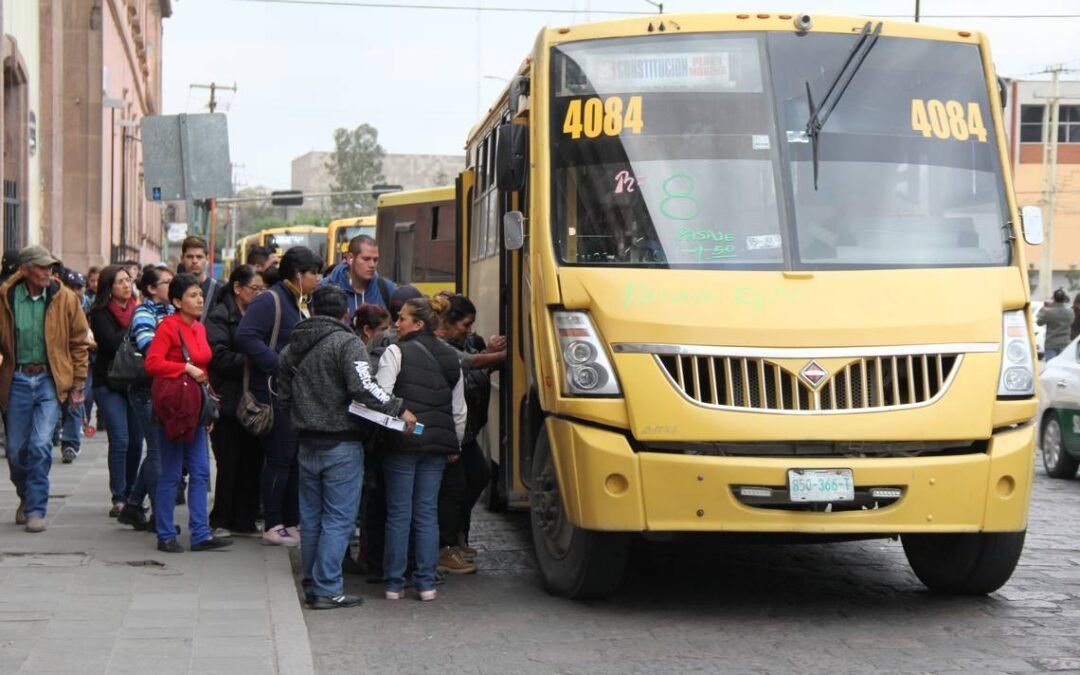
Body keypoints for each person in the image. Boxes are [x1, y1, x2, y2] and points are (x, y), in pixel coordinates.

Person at [278, 285, 415, 609]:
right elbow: (364, 387)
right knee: (338, 518)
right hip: (341, 442)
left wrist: (300, 417)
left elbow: (283, 395)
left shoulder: (294, 345)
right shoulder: (346, 342)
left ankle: (313, 583)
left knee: (311, 518)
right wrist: (398, 408)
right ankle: (327, 588)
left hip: (306, 441)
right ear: (345, 313)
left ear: (313, 309)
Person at [376, 295, 467, 602]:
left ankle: (394, 584)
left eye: (402, 318)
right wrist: (455, 442)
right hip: (437, 446)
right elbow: (459, 409)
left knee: (399, 513)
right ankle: (426, 584)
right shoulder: (451, 356)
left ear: (417, 324)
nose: (396, 323)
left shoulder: (395, 351)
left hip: (402, 442)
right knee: (427, 513)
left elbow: (381, 395)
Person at [236, 246, 324, 547]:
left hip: (293, 394)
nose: (318, 279)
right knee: (279, 458)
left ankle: (290, 520)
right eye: (313, 273)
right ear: (298, 274)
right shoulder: (270, 300)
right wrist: (277, 364)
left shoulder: (300, 301)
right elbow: (245, 336)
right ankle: (273, 523)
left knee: (292, 459)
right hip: (272, 392)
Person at [0, 245, 90, 532]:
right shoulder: (6, 297)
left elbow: (80, 342)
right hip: (16, 380)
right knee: (15, 450)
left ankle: (36, 508)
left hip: (50, 380)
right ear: (25, 269)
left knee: (40, 444)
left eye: (50, 266)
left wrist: (78, 383)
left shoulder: (65, 298)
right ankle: (26, 496)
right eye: (41, 266)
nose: (47, 272)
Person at [144, 273, 232, 553]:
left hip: (195, 408)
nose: (199, 300)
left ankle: (200, 533)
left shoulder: (199, 327)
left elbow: (203, 369)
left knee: (201, 472)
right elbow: (152, 363)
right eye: (193, 296)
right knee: (171, 474)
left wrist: (209, 409)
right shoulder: (168, 327)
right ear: (177, 301)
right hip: (173, 409)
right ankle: (165, 534)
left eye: (200, 295)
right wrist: (183, 368)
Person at [434, 294, 505, 574]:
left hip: (465, 432)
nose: (468, 330)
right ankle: (444, 547)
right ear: (448, 323)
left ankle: (456, 537)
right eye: (465, 325)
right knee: (452, 489)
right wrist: (501, 356)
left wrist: (488, 355)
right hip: (450, 432)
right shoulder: (440, 346)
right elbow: (468, 364)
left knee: (477, 476)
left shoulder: (463, 343)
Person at [206, 265, 269, 538]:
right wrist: (253, 360)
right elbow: (217, 356)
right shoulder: (220, 315)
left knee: (252, 460)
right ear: (237, 288)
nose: (259, 294)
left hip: (253, 399)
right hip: (228, 398)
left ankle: (245, 519)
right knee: (229, 461)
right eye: (254, 288)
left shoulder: (258, 315)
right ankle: (221, 518)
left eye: (262, 289)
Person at [116, 263, 175, 533]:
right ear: (151, 288)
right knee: (158, 451)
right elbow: (152, 350)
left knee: (157, 451)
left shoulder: (172, 311)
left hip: (166, 388)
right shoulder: (144, 313)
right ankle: (159, 516)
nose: (172, 287)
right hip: (146, 391)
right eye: (166, 283)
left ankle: (133, 505)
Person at [88, 265, 143, 517]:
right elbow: (110, 343)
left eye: (128, 280)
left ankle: (132, 493)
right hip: (108, 382)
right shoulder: (100, 313)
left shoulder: (139, 309)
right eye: (119, 281)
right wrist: (136, 328)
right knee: (120, 439)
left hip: (135, 381)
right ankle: (119, 496)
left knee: (136, 441)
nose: (126, 285)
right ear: (109, 287)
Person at [57, 269, 90, 463]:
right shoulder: (58, 305)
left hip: (82, 362)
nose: (76, 292)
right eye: (72, 287)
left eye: (79, 287)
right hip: (60, 363)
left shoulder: (88, 305)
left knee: (75, 403)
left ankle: (70, 443)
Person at [320, 234, 396, 315]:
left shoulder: (387, 288)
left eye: (375, 260)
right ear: (350, 258)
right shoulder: (324, 288)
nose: (372, 265)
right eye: (366, 259)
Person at [181, 236, 220, 322]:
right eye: (189, 257)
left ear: (207, 258)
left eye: (199, 257)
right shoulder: (175, 288)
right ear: (182, 258)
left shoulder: (218, 290)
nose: (194, 261)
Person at [1038, 289, 1076, 361]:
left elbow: (1039, 323)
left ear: (1054, 299)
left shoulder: (1049, 312)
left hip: (1051, 343)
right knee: (1063, 365)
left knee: (1051, 365)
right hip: (1065, 342)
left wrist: (1042, 310)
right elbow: (1071, 322)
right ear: (1064, 299)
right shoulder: (1070, 312)